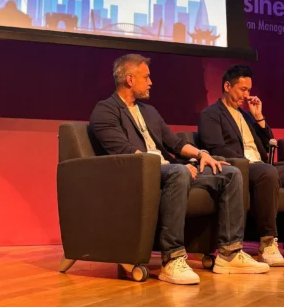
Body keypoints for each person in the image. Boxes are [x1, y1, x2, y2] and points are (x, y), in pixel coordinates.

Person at [89, 54, 268, 284]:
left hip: (169, 170)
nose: (151, 82)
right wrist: (175, 166)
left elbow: (174, 143)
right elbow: (125, 152)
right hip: (138, 173)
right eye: (146, 77)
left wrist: (202, 155)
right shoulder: (105, 110)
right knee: (179, 172)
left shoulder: (149, 111)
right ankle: (172, 258)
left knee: (229, 173)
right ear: (130, 79)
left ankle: (229, 254)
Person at [198, 65, 284, 264]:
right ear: (227, 86)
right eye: (242, 89)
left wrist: (259, 118)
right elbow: (216, 147)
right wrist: (245, 162)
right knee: (267, 172)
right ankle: (267, 242)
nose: (247, 95)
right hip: (240, 167)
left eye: (249, 90)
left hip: (261, 165)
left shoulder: (246, 116)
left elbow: (269, 143)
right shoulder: (211, 114)